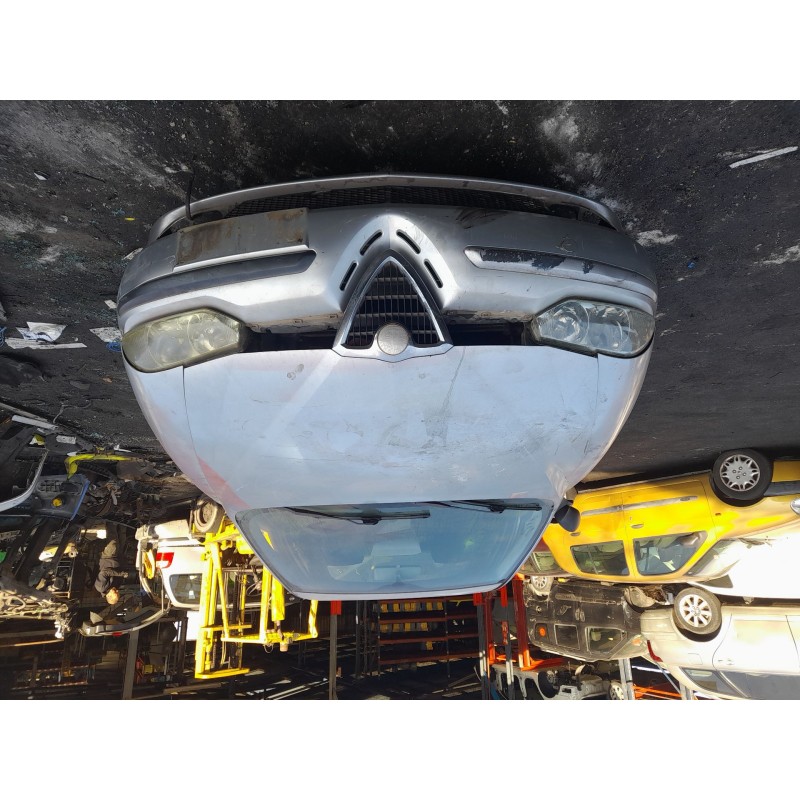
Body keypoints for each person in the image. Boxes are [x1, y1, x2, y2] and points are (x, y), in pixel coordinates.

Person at [93, 535, 132, 603]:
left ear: (109, 596)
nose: (117, 590)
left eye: (115, 592)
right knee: (122, 536)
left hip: (108, 557)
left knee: (113, 541)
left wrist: (120, 574)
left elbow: (104, 572)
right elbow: (121, 575)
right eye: (118, 592)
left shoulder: (101, 587)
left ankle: (112, 528)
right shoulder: (116, 586)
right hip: (119, 557)